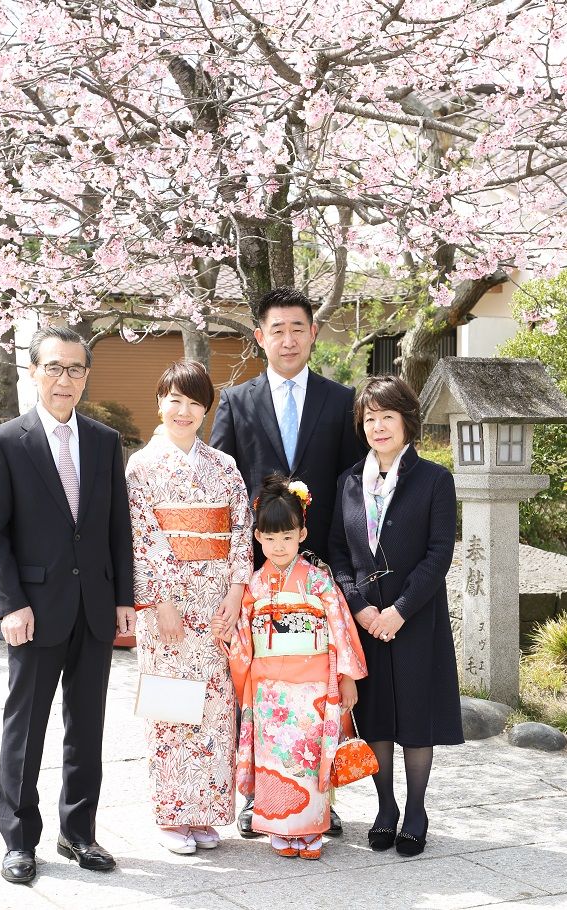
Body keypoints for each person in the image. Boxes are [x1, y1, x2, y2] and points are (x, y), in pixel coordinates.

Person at [0, 325, 135, 885]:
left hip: (94, 605)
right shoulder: (5, 442)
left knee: (86, 725)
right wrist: (9, 605)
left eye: (74, 369)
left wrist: (124, 598)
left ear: (86, 377)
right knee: (26, 727)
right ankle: (19, 840)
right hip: (35, 610)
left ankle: (80, 831)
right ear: (32, 371)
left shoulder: (104, 441)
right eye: (53, 367)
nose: (64, 379)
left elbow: (119, 525)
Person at [210, 285, 365, 837]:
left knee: (315, 687)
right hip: (259, 567)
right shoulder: (238, 401)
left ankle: (319, 794)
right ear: (260, 337)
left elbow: (350, 485)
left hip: (317, 567)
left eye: (298, 328)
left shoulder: (340, 399)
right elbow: (224, 485)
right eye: (276, 329)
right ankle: (260, 796)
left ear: (313, 333)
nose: (288, 338)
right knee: (261, 687)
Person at [328, 375, 464, 857]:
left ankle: (417, 809)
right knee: (377, 715)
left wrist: (399, 610)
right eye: (370, 418)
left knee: (415, 716)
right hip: (365, 622)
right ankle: (385, 807)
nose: (379, 426)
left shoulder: (434, 479)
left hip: (416, 620)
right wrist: (361, 608)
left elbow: (439, 552)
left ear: (408, 421)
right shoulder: (347, 482)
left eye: (388, 416)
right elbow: (338, 553)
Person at [126, 360, 253, 856]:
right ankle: (171, 813)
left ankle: (205, 811)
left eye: (195, 402)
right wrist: (160, 601)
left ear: (206, 409)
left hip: (217, 603)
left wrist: (236, 593)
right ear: (159, 401)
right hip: (168, 607)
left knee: (216, 711)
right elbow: (142, 537)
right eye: (174, 400)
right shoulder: (141, 466)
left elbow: (241, 529)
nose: (184, 411)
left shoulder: (223, 466)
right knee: (170, 708)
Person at [225, 475, 367, 860]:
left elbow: (339, 628)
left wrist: (347, 678)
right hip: (270, 687)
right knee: (275, 756)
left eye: (287, 537)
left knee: (308, 752)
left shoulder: (319, 581)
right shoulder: (255, 585)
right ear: (257, 537)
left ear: (302, 533)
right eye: (270, 539)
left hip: (314, 685)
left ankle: (312, 827)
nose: (279, 546)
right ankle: (280, 828)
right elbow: (243, 638)